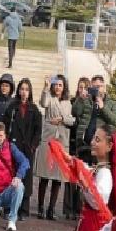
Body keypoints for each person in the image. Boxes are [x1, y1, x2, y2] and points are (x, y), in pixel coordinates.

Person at [34, 77, 73, 220]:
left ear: (64, 87)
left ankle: (51, 209)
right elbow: (43, 102)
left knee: (58, 178)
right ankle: (40, 208)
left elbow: (71, 120)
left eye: (60, 85)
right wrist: (45, 87)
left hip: (62, 141)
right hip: (48, 140)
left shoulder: (68, 102)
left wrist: (62, 120)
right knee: (45, 176)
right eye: (55, 85)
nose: (57, 87)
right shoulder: (49, 98)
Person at [8, 78, 41, 218]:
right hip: (14, 146)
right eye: (22, 89)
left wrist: (33, 146)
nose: (24, 92)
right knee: (13, 174)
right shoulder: (12, 107)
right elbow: (6, 125)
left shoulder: (34, 109)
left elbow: (38, 130)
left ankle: (23, 208)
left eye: (27, 89)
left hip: (28, 148)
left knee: (26, 177)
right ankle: (10, 205)